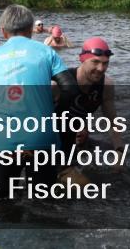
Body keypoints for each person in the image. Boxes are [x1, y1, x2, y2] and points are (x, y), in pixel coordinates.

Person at [0, 5, 78, 201]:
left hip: (6, 141)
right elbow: (71, 89)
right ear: (31, 29)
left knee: (1, 202)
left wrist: (2, 99)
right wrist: (54, 113)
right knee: (44, 203)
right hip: (42, 137)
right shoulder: (46, 52)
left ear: (3, 31)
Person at [53, 37, 124, 185]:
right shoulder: (59, 84)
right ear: (82, 59)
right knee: (89, 190)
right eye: (95, 62)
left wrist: (119, 152)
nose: (101, 68)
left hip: (73, 145)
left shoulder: (106, 86)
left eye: (105, 63)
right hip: (49, 146)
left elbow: (113, 122)